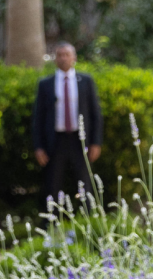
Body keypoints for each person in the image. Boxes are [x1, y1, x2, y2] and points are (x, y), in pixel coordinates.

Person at [33, 43, 103, 204]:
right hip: (56, 140)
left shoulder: (85, 81)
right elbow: (39, 118)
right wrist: (39, 147)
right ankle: (52, 224)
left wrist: (96, 142)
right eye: (60, 55)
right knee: (53, 183)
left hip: (80, 139)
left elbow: (95, 114)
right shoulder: (46, 84)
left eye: (67, 55)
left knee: (85, 183)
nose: (63, 58)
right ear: (55, 59)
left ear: (74, 58)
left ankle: (87, 222)